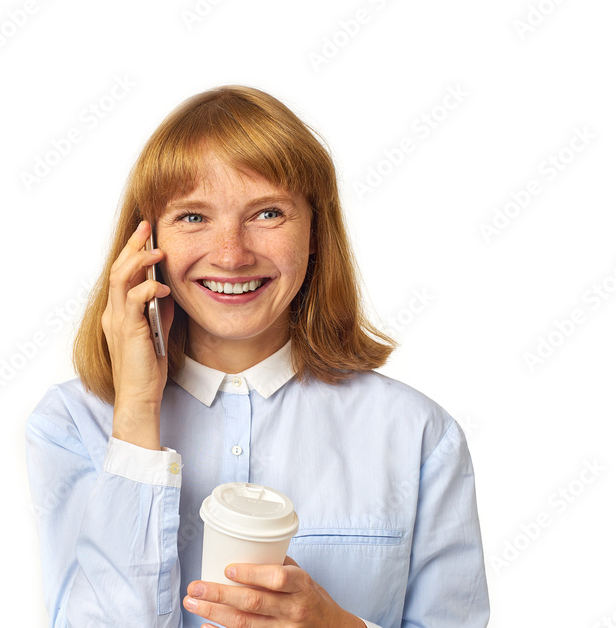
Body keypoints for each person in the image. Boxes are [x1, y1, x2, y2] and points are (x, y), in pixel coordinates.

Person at [25, 85, 488, 627]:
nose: (232, 255)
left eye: (267, 213)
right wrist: (135, 415)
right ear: (145, 244)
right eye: (193, 217)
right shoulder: (70, 425)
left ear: (315, 232)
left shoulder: (419, 435)